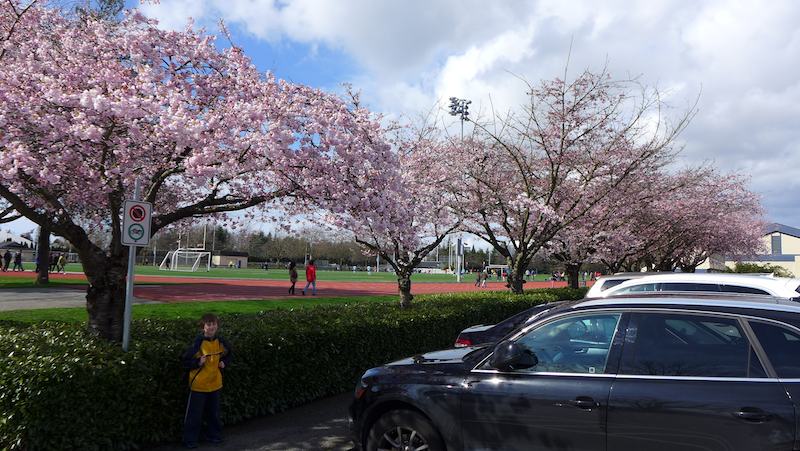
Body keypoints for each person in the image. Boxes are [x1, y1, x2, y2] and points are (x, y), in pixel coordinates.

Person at [181, 313, 231, 449]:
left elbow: (230, 353)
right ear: (203, 327)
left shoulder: (221, 341)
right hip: (199, 384)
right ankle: (190, 440)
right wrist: (197, 362)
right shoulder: (198, 342)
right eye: (208, 324)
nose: (211, 327)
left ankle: (213, 435)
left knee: (213, 413)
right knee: (194, 415)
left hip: (215, 383)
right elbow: (185, 361)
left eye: (214, 324)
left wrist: (224, 362)